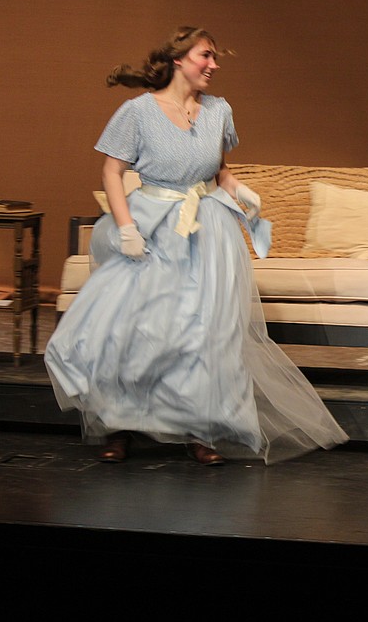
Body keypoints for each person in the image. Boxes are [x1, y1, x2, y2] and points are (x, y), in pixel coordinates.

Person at [45, 27, 348, 465]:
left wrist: (239, 189)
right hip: (151, 224)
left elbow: (218, 169)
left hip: (206, 229)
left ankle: (197, 428)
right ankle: (120, 425)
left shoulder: (218, 111)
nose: (214, 65)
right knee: (136, 328)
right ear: (178, 60)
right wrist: (127, 229)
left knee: (202, 332)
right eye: (206, 55)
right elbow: (112, 172)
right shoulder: (138, 112)